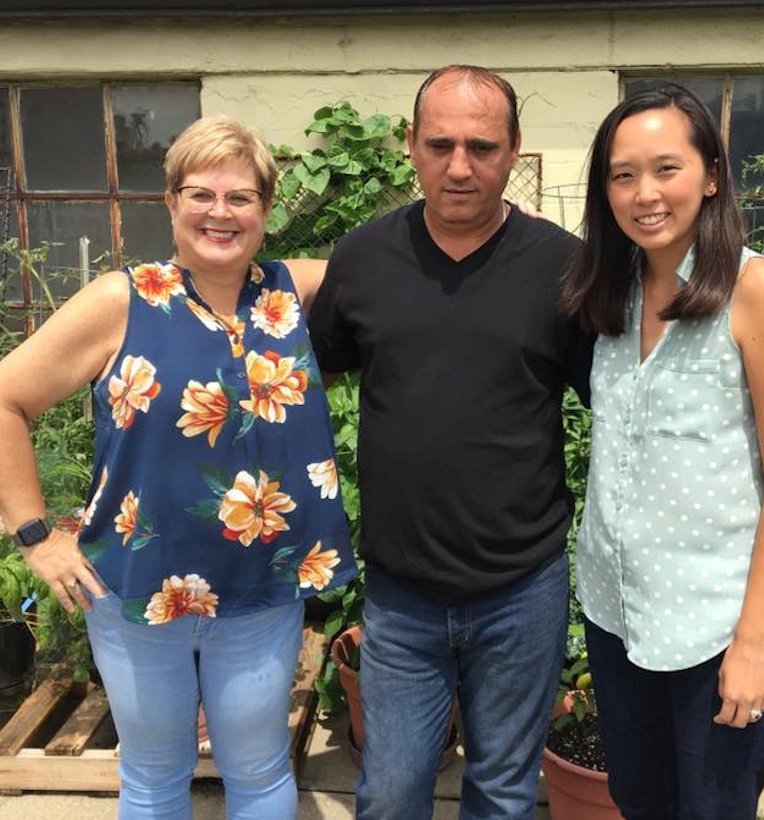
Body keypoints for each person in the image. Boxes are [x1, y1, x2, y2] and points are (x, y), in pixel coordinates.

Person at [0, 114, 356, 819]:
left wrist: (503, 228)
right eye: (202, 194)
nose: (220, 212)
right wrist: (36, 535)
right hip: (137, 589)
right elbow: (6, 398)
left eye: (241, 196)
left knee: (257, 769)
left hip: (261, 589)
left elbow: (402, 264)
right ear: (171, 201)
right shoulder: (121, 301)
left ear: (265, 208)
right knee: (155, 775)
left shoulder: (293, 292)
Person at [308, 65, 594, 819]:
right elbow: (309, 381)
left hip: (522, 587)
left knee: (503, 793)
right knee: (390, 792)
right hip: (402, 592)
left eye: (481, 146)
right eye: (440, 145)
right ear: (411, 144)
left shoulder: (564, 267)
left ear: (514, 147)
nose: (459, 166)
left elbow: (616, 400)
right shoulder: (363, 258)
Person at [561, 84, 764, 819]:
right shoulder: (611, 290)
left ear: (711, 175)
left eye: (667, 168)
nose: (645, 194)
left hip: (715, 626)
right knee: (639, 800)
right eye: (623, 175)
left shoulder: (755, 289)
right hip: (618, 614)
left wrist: (753, 640)